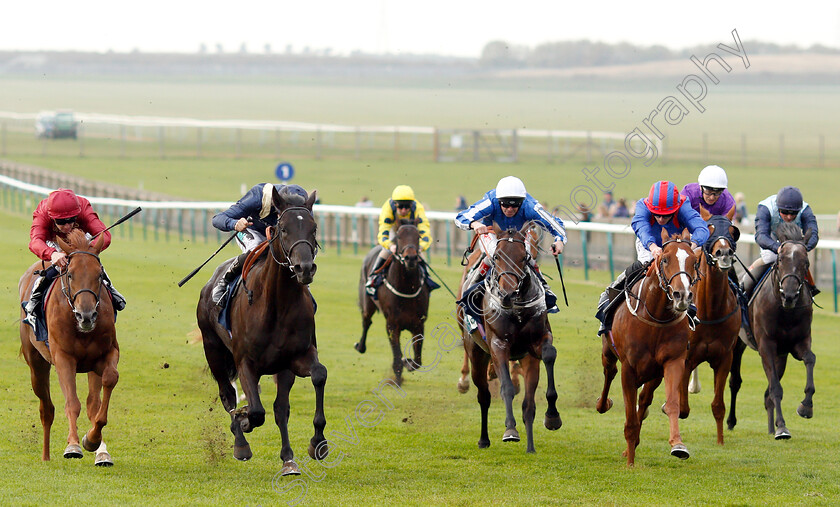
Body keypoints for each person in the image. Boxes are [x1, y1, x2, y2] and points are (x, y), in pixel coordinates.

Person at [596, 181, 709, 335]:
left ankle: (688, 305)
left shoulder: (683, 205)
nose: (661, 219)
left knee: (680, 269)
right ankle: (612, 295)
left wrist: (691, 245)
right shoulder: (643, 205)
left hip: (674, 246)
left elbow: (702, 228)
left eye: (666, 215)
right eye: (657, 214)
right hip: (649, 242)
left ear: (675, 209)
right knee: (645, 264)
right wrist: (652, 247)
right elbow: (640, 226)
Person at [454, 176, 567, 316]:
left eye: (514, 205)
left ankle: (545, 289)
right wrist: (475, 224)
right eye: (505, 205)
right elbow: (461, 217)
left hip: (518, 235)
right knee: (495, 254)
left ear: (521, 202)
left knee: (527, 256)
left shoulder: (530, 206)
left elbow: (556, 225)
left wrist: (559, 240)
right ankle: (472, 292)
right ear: (498, 201)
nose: (509, 209)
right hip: (492, 233)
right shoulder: (491, 201)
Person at [23, 188, 126, 329]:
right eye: (61, 222)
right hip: (54, 242)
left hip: (81, 242)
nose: (67, 226)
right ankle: (34, 302)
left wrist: (86, 251)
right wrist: (52, 254)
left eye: (71, 220)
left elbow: (105, 235)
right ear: (52, 217)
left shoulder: (83, 206)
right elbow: (35, 241)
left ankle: (111, 289)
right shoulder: (43, 212)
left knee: (91, 267)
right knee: (55, 268)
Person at [210, 183, 309, 305]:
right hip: (252, 230)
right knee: (257, 246)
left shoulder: (301, 200)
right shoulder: (257, 196)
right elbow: (217, 219)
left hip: (280, 233)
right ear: (276, 204)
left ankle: (304, 287)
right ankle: (224, 281)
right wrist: (235, 224)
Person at [741, 186, 819, 298]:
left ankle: (811, 289)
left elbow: (813, 235)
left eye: (793, 214)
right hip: (771, 237)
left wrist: (802, 248)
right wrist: (777, 247)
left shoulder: (805, 210)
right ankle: (745, 283)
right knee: (770, 258)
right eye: (785, 212)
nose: (789, 216)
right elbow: (761, 236)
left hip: (794, 238)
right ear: (778, 208)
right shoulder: (766, 208)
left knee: (797, 258)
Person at [364, 185, 434, 294]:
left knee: (420, 256)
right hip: (394, 230)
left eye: (407, 207)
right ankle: (373, 277)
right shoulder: (388, 208)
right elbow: (383, 233)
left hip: (410, 233)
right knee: (385, 251)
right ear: (395, 204)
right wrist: (390, 245)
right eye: (400, 207)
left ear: (412, 205)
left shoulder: (418, 208)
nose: (404, 210)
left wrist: (421, 246)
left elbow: (425, 231)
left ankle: (427, 281)